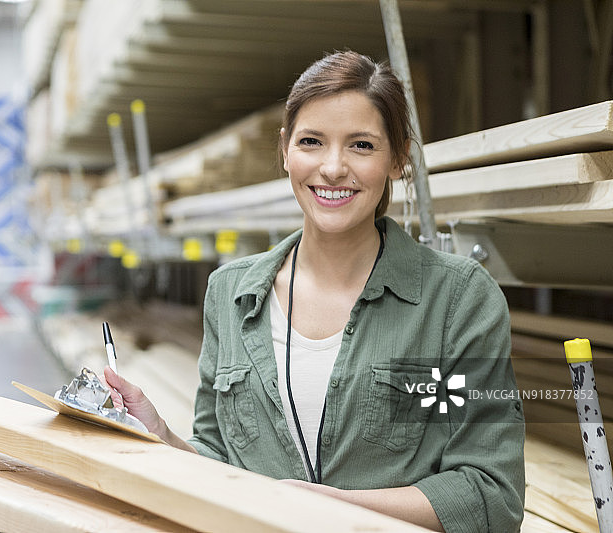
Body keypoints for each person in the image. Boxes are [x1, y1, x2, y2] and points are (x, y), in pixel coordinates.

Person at [104, 50, 525, 533]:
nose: (332, 167)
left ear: (398, 157)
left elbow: (491, 495)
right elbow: (217, 459)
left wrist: (331, 505)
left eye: (361, 146)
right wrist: (162, 437)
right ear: (286, 150)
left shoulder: (457, 299)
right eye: (311, 141)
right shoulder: (230, 293)